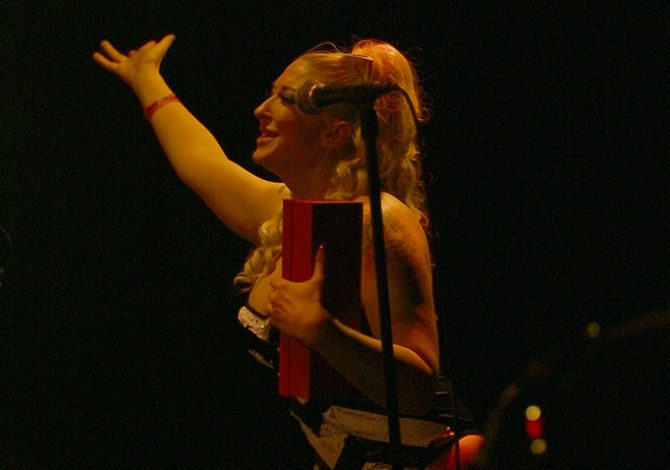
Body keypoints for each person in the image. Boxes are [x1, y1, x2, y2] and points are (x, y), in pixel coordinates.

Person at [93, 34, 481, 469]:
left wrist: (324, 332)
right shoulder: (289, 212)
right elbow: (202, 163)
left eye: (286, 98)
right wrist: (145, 76)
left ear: (333, 131)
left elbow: (418, 387)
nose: (261, 109)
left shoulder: (381, 220)